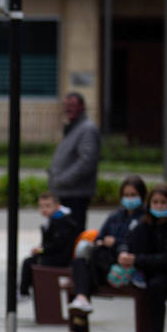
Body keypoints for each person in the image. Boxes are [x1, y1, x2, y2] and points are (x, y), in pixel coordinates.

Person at [49, 175, 147, 332]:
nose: (129, 198)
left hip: (125, 267)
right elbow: (99, 238)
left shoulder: (144, 219)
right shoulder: (116, 216)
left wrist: (114, 243)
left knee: (82, 277)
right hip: (103, 266)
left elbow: (136, 245)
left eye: (133, 195)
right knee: (80, 265)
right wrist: (104, 242)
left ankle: (76, 331)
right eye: (126, 194)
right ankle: (81, 305)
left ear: (142, 195)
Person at [117, 182, 167, 332]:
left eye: (163, 203)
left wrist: (137, 261)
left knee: (156, 285)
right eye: (155, 202)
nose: (159, 207)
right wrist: (124, 253)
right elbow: (126, 238)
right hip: (147, 268)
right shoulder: (144, 222)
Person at [46, 92, 100, 230]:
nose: (68, 109)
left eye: (73, 105)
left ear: (82, 107)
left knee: (71, 236)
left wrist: (63, 179)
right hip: (64, 194)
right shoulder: (73, 128)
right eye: (66, 105)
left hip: (75, 195)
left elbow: (87, 162)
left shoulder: (87, 129)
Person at [18, 191, 80, 298]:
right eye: (41, 206)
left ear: (57, 206)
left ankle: (25, 292)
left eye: (48, 206)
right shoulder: (54, 219)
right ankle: (29, 291)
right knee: (30, 261)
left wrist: (41, 250)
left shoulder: (61, 221)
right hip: (55, 255)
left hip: (61, 258)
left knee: (29, 263)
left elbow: (57, 245)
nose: (44, 209)